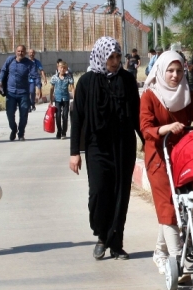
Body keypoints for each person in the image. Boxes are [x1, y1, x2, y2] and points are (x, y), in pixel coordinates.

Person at [140, 50, 193, 274]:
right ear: (161, 70)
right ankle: (178, 259)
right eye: (170, 70)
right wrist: (165, 128)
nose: (175, 75)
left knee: (178, 206)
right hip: (158, 157)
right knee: (167, 204)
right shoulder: (150, 95)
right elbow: (146, 128)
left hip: (183, 156)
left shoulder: (187, 94)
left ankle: (160, 252)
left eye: (179, 70)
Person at [69, 37, 143, 261]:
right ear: (101, 56)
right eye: (111, 56)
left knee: (121, 194)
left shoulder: (127, 80)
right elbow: (77, 118)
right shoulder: (86, 82)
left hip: (123, 147)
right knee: (99, 193)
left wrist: (148, 143)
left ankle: (116, 243)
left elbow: (137, 115)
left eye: (118, 56)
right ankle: (102, 235)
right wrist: (74, 153)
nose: (114, 61)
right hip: (96, 148)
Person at [0, 45, 40, 141]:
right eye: (18, 51)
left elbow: (35, 75)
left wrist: (38, 87)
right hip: (11, 92)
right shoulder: (10, 60)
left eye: (22, 51)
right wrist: (0, 80)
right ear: (15, 52)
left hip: (24, 93)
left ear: (25, 53)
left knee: (24, 114)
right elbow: (3, 70)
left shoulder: (29, 64)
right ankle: (13, 129)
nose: (20, 53)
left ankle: (21, 133)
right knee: (9, 113)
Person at [50, 60, 75, 139]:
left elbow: (72, 88)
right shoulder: (54, 77)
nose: (62, 69)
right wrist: (51, 100)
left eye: (64, 68)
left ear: (66, 69)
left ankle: (64, 132)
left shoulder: (68, 77)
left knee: (65, 116)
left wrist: (75, 98)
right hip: (57, 99)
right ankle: (59, 131)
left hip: (66, 99)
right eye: (61, 68)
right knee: (57, 116)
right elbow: (51, 88)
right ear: (58, 68)